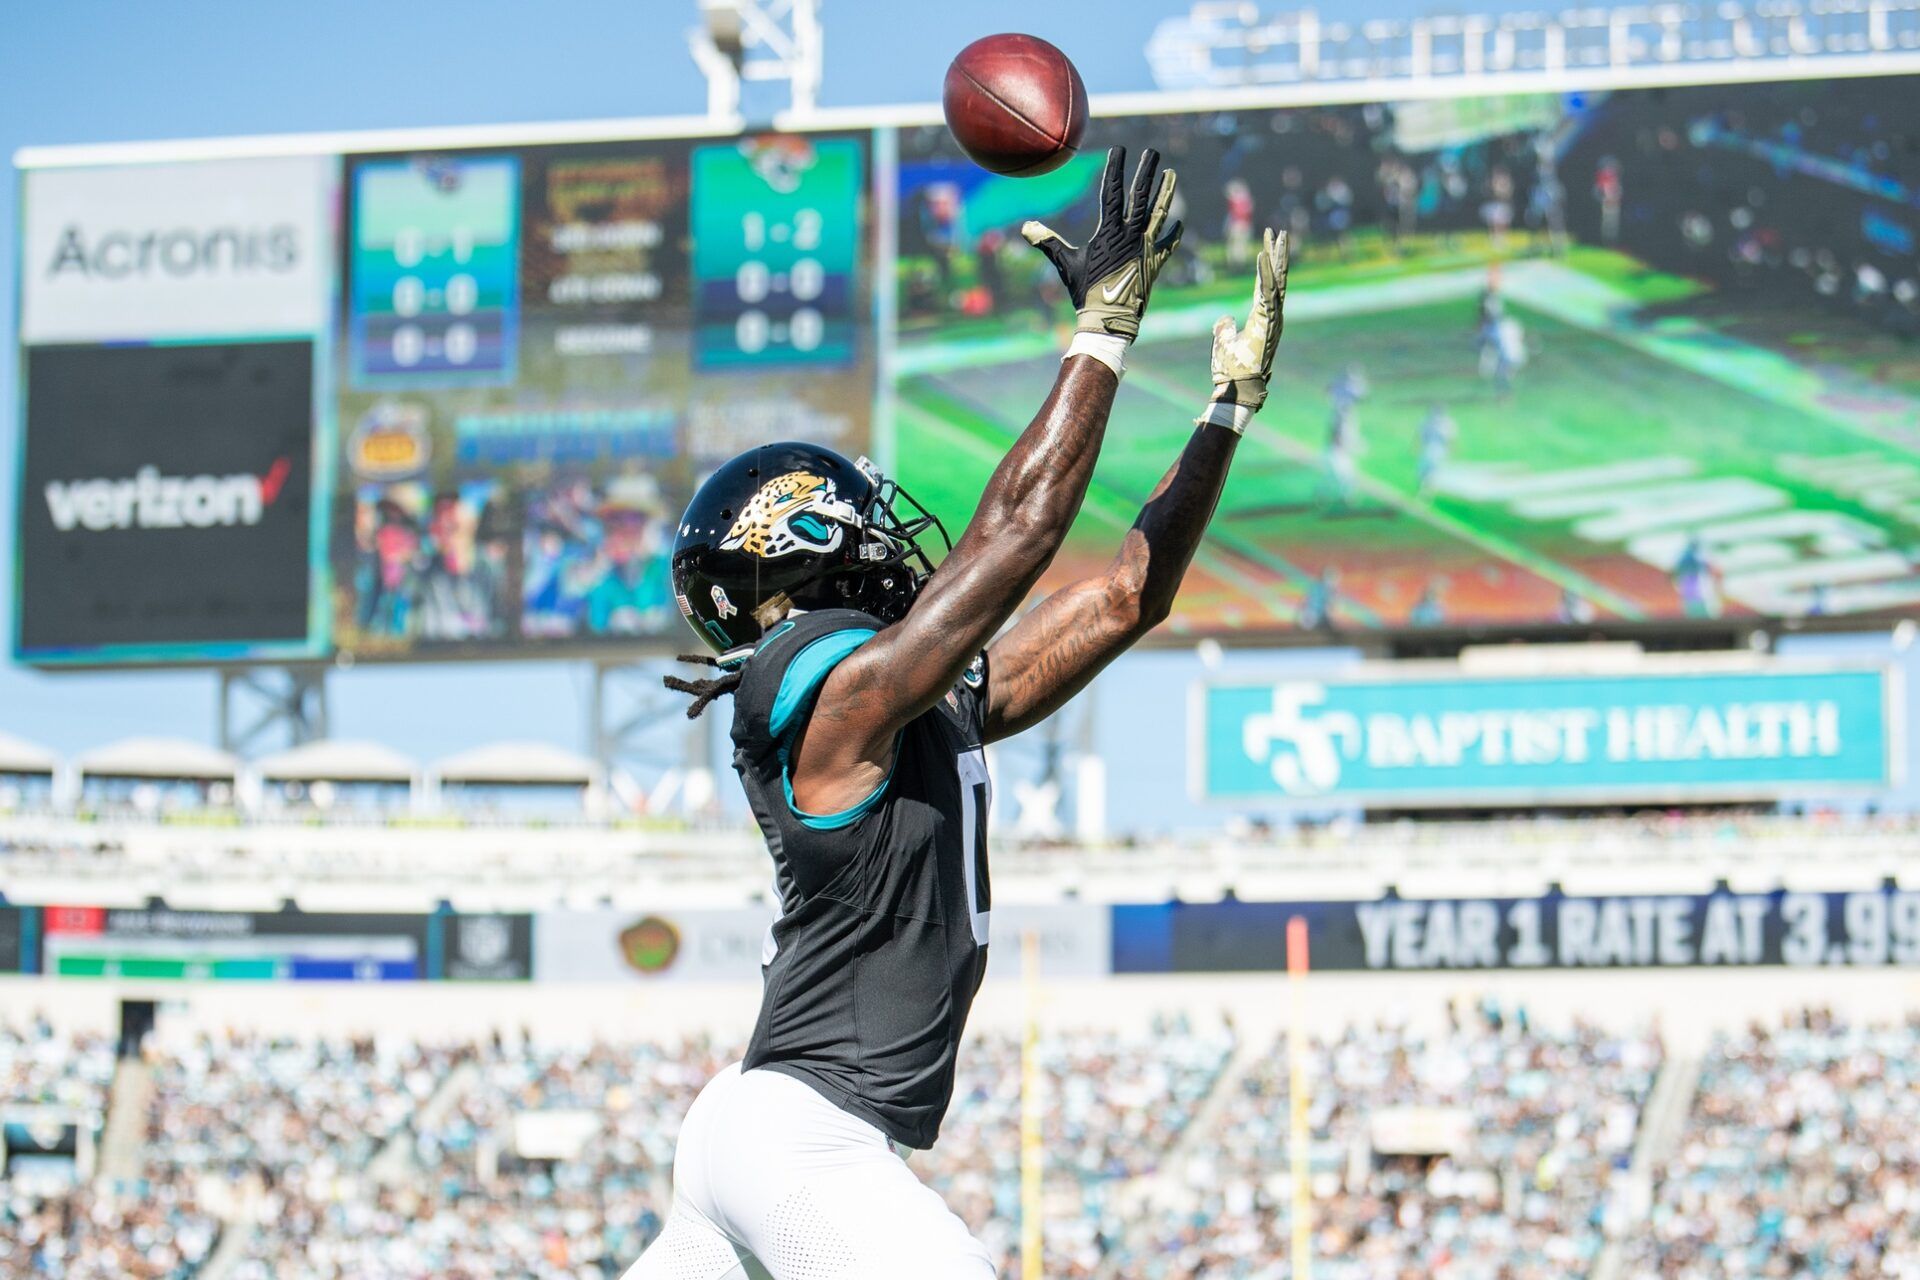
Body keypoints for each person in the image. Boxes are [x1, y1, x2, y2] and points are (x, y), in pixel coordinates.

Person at [625, 147, 1289, 1280]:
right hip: (800, 1137)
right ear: (808, 543)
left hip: (771, 1123)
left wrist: (1224, 413)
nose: (896, 531)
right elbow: (1016, 537)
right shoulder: (824, 697)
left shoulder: (908, 703)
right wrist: (1104, 330)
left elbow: (1127, 595)